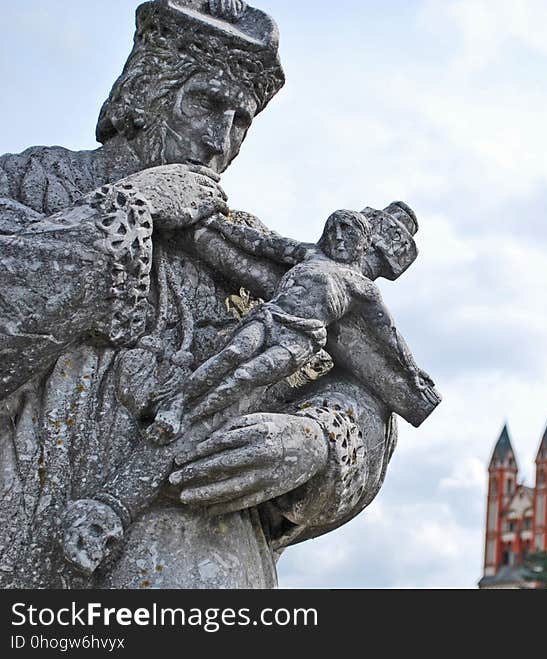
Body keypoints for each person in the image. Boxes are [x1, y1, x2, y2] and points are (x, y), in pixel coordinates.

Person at [0, 0, 436, 588]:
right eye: (206, 102)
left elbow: (366, 384)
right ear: (141, 96)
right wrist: (137, 208)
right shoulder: (33, 187)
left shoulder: (250, 247)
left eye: (241, 121)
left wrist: (315, 443)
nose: (219, 139)